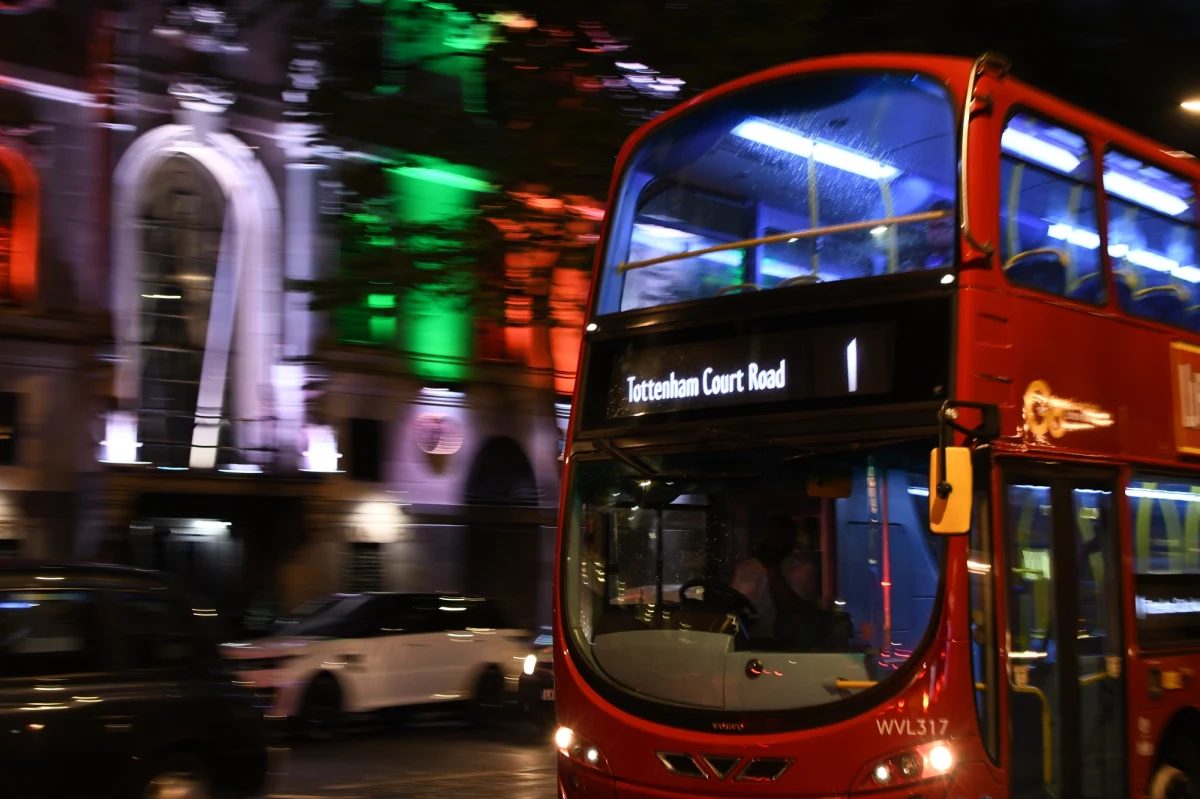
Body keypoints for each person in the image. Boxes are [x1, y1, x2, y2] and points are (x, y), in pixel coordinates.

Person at [731, 515, 815, 641]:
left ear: (790, 540)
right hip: (744, 638)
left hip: (783, 643)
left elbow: (792, 609)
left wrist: (772, 568)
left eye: (778, 536)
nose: (771, 541)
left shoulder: (803, 569)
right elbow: (733, 604)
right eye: (768, 536)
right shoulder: (745, 568)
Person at [898, 199, 954, 272]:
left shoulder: (961, 262)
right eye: (930, 226)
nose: (935, 233)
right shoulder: (912, 263)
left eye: (943, 226)